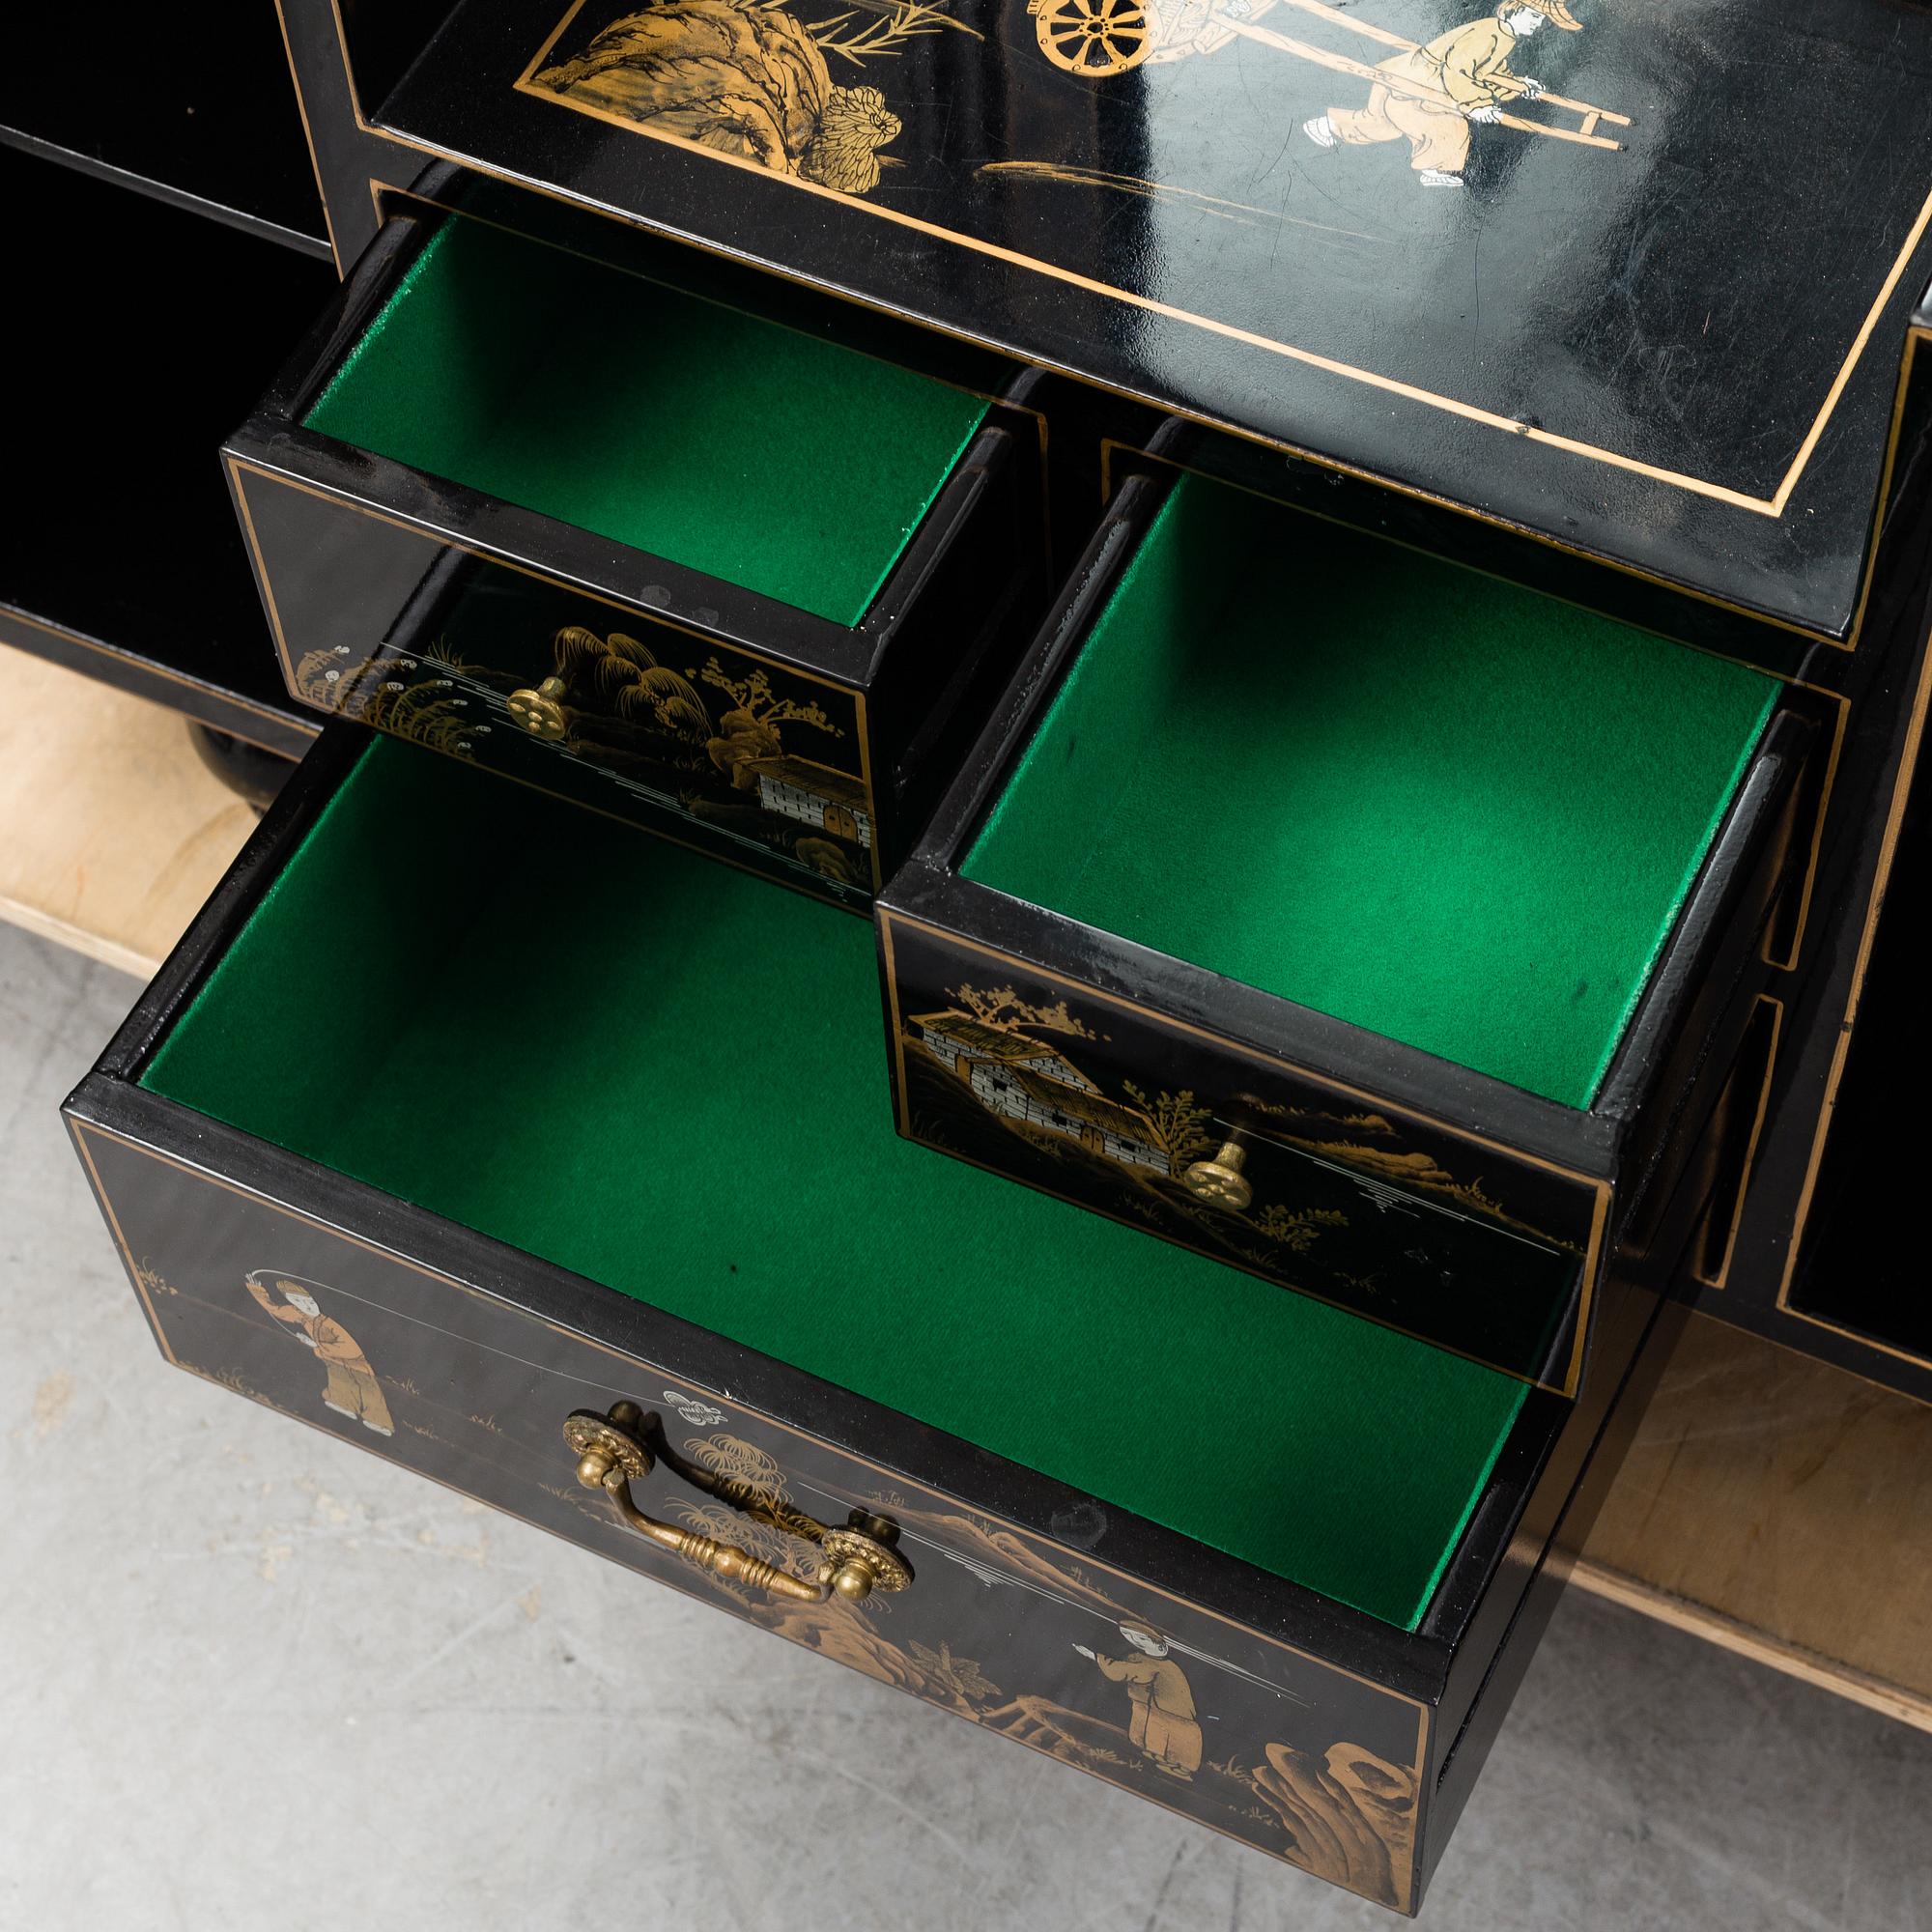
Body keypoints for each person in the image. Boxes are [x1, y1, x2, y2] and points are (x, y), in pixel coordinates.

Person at [1303, 0, 1580, 188]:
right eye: (1534, 16)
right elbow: (1458, 69)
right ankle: (1432, 170)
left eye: (1541, 19)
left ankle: (1325, 125)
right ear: (1512, 10)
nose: (1538, 24)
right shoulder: (1489, 34)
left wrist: (1519, 85)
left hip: (1405, 79)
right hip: (1417, 85)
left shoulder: (1501, 35)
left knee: (1382, 124)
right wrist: (1475, 105)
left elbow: (1488, 73)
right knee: (1450, 126)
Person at [243, 1272, 395, 1436]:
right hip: (333, 1360)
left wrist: (317, 1345)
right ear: (294, 1304)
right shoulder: (303, 1316)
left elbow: (350, 1349)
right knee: (339, 1382)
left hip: (355, 1362)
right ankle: (344, 1405)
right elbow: (277, 1310)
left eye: (308, 1301)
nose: (307, 1306)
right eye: (299, 1302)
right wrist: (257, 1290)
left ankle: (380, 1422)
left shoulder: (329, 1323)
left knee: (369, 1390)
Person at [1073, 1619, 1204, 1777]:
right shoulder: (1140, 1658)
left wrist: (1095, 1657)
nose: (1134, 1641)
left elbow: (1124, 1671)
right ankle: (1153, 1759)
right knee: (1148, 1737)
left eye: (1141, 1638)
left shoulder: (1159, 1666)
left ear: (1161, 1645)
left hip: (1172, 1712)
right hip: (1149, 1706)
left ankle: (1177, 1770)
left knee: (1174, 1743)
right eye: (1128, 1635)